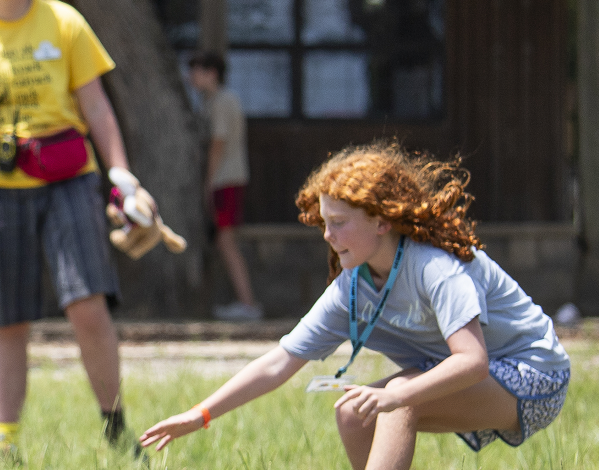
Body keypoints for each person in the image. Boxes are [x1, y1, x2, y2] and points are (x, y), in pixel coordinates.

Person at [140, 144, 571, 470]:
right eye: (325, 223)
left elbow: (473, 362)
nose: (327, 235)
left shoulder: (433, 267)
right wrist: (200, 414)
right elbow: (279, 363)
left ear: (382, 221)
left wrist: (399, 392)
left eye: (340, 223)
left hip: (535, 375)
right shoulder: (352, 287)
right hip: (484, 378)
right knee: (353, 412)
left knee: (397, 399)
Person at [0, 0, 150, 457]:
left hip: (70, 178)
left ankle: (115, 426)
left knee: (87, 303)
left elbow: (97, 108)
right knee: (6, 316)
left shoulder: (63, 21)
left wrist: (122, 177)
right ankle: (7, 442)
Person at [187, 51, 259, 322]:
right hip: (225, 179)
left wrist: (208, 182)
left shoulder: (223, 101)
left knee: (226, 240)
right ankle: (245, 301)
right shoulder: (212, 102)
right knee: (223, 240)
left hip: (225, 179)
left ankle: (247, 303)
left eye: (197, 71)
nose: (191, 77)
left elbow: (219, 143)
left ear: (211, 73)